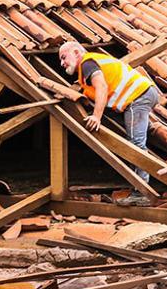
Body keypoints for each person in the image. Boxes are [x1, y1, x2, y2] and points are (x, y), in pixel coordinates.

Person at [58, 41, 159, 206]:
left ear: (76, 52)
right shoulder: (89, 67)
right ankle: (141, 189)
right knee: (137, 141)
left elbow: (102, 87)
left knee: (135, 145)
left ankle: (142, 193)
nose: (62, 63)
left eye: (64, 57)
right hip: (143, 94)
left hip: (137, 97)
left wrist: (96, 117)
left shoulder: (87, 63)